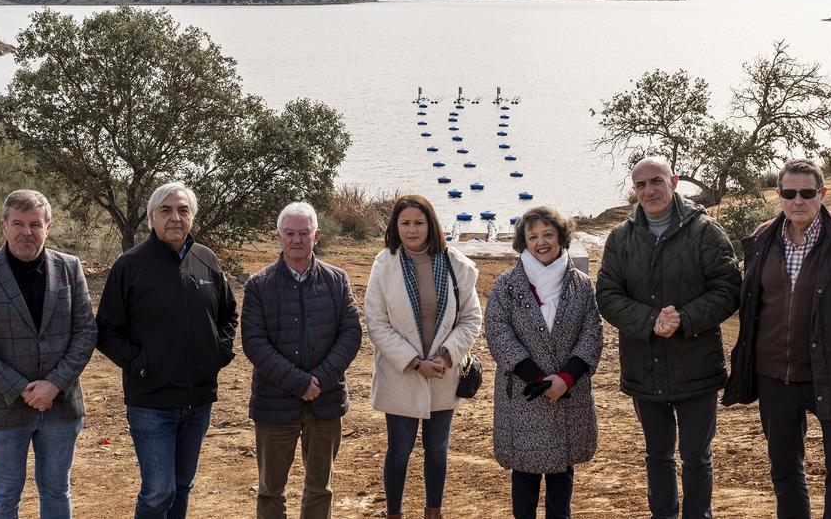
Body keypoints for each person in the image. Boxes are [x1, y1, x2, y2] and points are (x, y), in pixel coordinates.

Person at [722, 159, 831, 519]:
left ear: (822, 194)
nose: (797, 200)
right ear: (779, 195)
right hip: (774, 376)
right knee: (784, 467)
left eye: (807, 192)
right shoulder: (761, 239)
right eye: (789, 193)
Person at [595, 156, 741, 519]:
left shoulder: (705, 231)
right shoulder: (621, 237)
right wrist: (649, 320)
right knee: (657, 455)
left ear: (674, 181)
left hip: (696, 367)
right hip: (645, 368)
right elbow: (607, 295)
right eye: (640, 185)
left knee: (696, 456)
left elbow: (728, 288)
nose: (649, 191)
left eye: (656, 181)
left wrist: (683, 319)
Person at [95, 182, 238, 519]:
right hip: (151, 401)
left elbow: (228, 313)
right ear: (151, 218)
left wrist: (219, 353)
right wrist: (141, 365)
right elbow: (106, 330)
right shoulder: (130, 266)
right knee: (159, 491)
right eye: (166, 210)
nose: (175, 217)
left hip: (198, 399)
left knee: (182, 485)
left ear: (192, 217)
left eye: (183, 210)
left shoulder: (207, 259)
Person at [0, 189, 97, 519]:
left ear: (48, 226)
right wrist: (21, 388)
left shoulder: (69, 268)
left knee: (57, 490)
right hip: (5, 406)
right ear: (3, 225)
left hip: (61, 405)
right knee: (4, 493)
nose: (26, 232)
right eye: (18, 223)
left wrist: (54, 384)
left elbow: (86, 332)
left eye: (35, 224)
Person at [364, 194, 483, 519]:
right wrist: (415, 361)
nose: (412, 230)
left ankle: (434, 512)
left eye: (419, 222)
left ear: (431, 224)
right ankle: (394, 514)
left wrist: (447, 355)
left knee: (437, 450)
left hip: (444, 374)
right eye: (405, 223)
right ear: (396, 226)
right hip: (401, 374)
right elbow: (376, 322)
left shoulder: (455, 263)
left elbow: (471, 318)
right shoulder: (383, 264)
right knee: (399, 451)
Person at [241, 202, 362, 519]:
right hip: (274, 403)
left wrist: (318, 381)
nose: (297, 240)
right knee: (270, 491)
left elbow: (350, 335)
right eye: (290, 233)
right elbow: (254, 343)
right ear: (279, 236)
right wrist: (299, 383)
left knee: (320, 488)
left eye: (303, 233)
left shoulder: (337, 280)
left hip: (326, 401)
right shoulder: (258, 285)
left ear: (316, 236)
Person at [484, 206, 604, 519]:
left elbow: (592, 332)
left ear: (560, 237)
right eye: (533, 236)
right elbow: (497, 332)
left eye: (548, 234)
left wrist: (566, 377)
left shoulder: (581, 284)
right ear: (523, 242)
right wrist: (536, 378)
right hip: (524, 395)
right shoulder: (506, 285)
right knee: (524, 476)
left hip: (569, 392)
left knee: (561, 476)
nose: (541, 242)